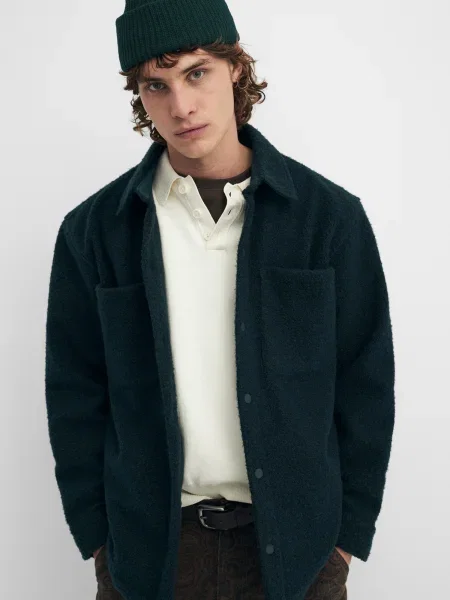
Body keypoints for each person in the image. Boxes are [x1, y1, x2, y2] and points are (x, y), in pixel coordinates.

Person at [44, 1, 395, 599]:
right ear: (139, 95)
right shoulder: (95, 230)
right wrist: (100, 540)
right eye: (156, 85)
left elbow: (366, 383)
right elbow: (75, 392)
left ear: (236, 67)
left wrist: (344, 540)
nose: (180, 106)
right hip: (150, 556)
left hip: (299, 554)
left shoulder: (328, 218)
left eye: (197, 72)